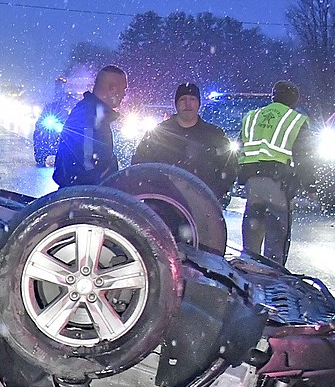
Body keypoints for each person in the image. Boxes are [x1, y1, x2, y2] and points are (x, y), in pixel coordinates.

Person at [237, 80, 315, 265]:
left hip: (252, 182)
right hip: (277, 183)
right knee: (277, 238)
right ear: (294, 100)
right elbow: (304, 157)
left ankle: (248, 271)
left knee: (253, 230)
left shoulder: (253, 116)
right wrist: (310, 186)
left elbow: (239, 147)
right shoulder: (295, 120)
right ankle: (272, 278)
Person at [131, 81, 238, 201]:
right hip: (163, 205)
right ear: (176, 104)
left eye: (192, 99)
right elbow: (140, 165)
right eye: (183, 99)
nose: (188, 104)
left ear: (199, 104)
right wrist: (155, 192)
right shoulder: (158, 134)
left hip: (203, 205)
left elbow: (229, 167)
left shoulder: (214, 135)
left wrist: (215, 194)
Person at [53, 65, 128, 187]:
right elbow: (87, 165)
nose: (124, 94)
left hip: (82, 196)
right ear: (112, 88)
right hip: (82, 199)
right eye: (124, 89)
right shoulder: (89, 116)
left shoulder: (91, 113)